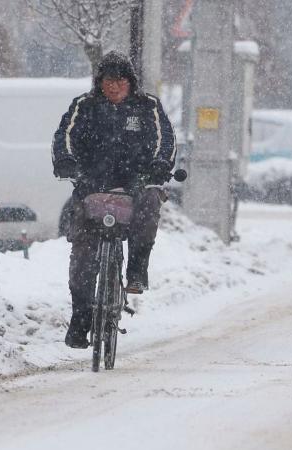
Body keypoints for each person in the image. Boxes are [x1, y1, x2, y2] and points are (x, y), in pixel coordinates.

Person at [51, 51, 176, 349]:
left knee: (149, 204)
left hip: (138, 183)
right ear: (100, 82)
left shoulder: (148, 107)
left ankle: (136, 270)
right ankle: (80, 321)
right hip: (93, 185)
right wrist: (66, 162)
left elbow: (165, 141)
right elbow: (64, 137)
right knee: (81, 257)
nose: (114, 86)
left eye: (120, 80)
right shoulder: (85, 106)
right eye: (109, 80)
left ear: (130, 82)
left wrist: (159, 167)